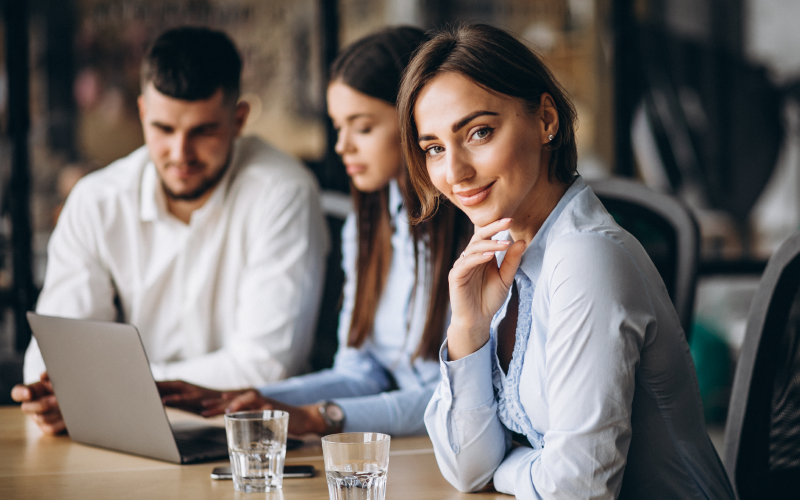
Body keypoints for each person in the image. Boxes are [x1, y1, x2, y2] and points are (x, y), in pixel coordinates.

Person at [397, 24, 735, 499]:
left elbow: (577, 490)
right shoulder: (503, 257)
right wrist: (468, 330)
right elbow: (467, 469)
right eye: (433, 147)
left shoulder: (585, 258)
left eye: (479, 132)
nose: (453, 172)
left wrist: (508, 467)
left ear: (546, 119)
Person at [156, 26, 472, 437]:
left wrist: (324, 416)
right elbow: (361, 373)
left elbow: (456, 397)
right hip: (392, 449)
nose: (342, 146)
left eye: (362, 127)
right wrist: (246, 397)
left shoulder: (472, 229)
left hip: (445, 448)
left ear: (416, 123)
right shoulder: (369, 223)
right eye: (338, 127)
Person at [11, 27, 328, 435]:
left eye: (203, 131)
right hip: (118, 432)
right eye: (163, 129)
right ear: (143, 114)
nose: (180, 153)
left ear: (239, 119)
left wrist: (101, 389)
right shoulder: (96, 201)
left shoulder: (283, 192)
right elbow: (51, 361)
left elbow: (265, 365)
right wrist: (70, 392)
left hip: (247, 437)